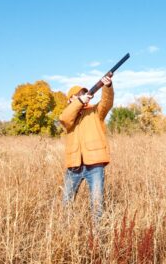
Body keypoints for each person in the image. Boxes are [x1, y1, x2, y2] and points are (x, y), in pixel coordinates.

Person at [58, 74, 114, 224]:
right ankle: (65, 233)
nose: (83, 96)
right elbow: (64, 119)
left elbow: (107, 103)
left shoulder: (95, 111)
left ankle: (97, 237)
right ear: (70, 100)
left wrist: (107, 87)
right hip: (74, 166)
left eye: (84, 94)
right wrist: (78, 103)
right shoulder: (68, 115)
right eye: (78, 95)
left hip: (95, 166)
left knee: (97, 205)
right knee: (66, 203)